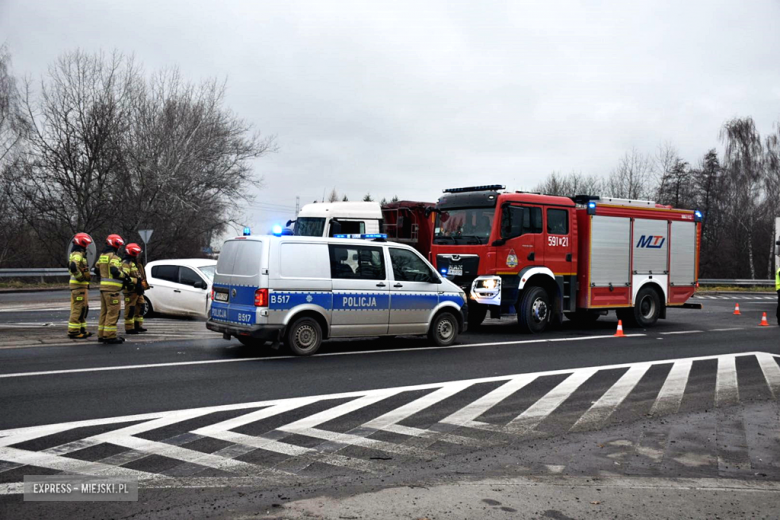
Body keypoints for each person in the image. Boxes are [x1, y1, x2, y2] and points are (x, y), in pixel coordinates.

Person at [97, 234, 131, 344]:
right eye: (119, 245)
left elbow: (96, 269)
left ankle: (102, 334)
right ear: (115, 245)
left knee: (104, 312)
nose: (120, 247)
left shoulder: (102, 256)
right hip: (112, 291)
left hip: (103, 289)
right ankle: (110, 336)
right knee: (113, 313)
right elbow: (114, 271)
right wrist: (124, 275)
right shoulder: (114, 258)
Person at [67, 233, 93, 339]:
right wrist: (80, 277)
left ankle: (81, 329)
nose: (87, 246)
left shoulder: (78, 253)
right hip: (78, 286)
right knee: (78, 308)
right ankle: (73, 331)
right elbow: (73, 267)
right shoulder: (77, 254)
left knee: (83, 308)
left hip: (81, 286)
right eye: (86, 244)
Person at [121, 243, 145, 334]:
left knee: (141, 306)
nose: (138, 254)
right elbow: (124, 276)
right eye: (137, 253)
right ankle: (129, 328)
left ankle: (138, 325)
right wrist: (136, 281)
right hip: (130, 290)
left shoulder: (135, 263)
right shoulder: (126, 263)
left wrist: (141, 284)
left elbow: (140, 275)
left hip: (137, 290)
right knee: (130, 309)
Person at [134, 254, 149, 333]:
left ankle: (138, 325)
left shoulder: (139, 265)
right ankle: (131, 327)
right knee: (132, 308)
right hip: (133, 289)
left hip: (140, 289)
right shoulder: (130, 263)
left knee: (141, 306)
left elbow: (142, 276)